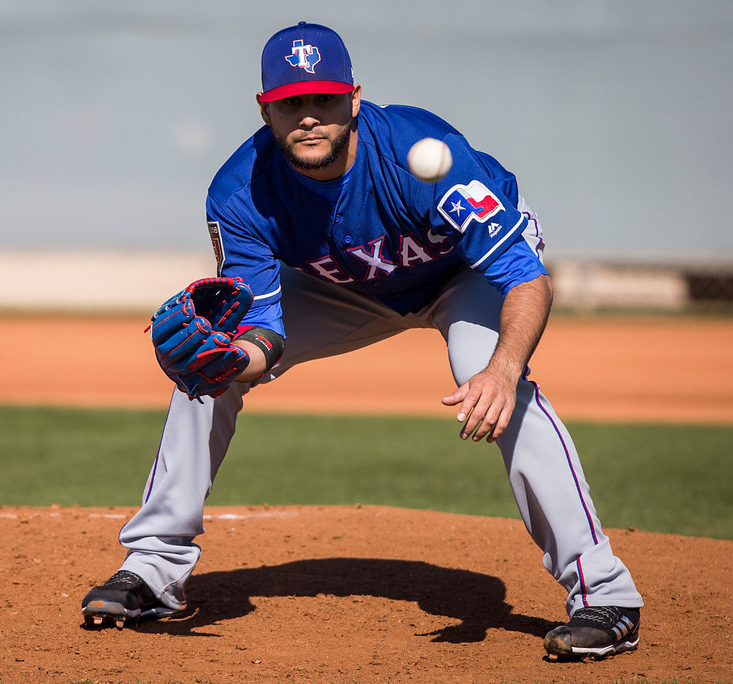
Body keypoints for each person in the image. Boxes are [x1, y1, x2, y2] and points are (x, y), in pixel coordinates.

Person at [82, 21, 643, 661]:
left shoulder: (424, 155)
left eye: (323, 99)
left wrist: (504, 367)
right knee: (206, 367)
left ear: (353, 98)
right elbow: (264, 330)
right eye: (291, 103)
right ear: (266, 110)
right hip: (345, 289)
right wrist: (236, 360)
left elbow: (526, 277)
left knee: (497, 384)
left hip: (466, 276)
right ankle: (154, 569)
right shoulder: (241, 193)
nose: (309, 117)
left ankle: (605, 594)